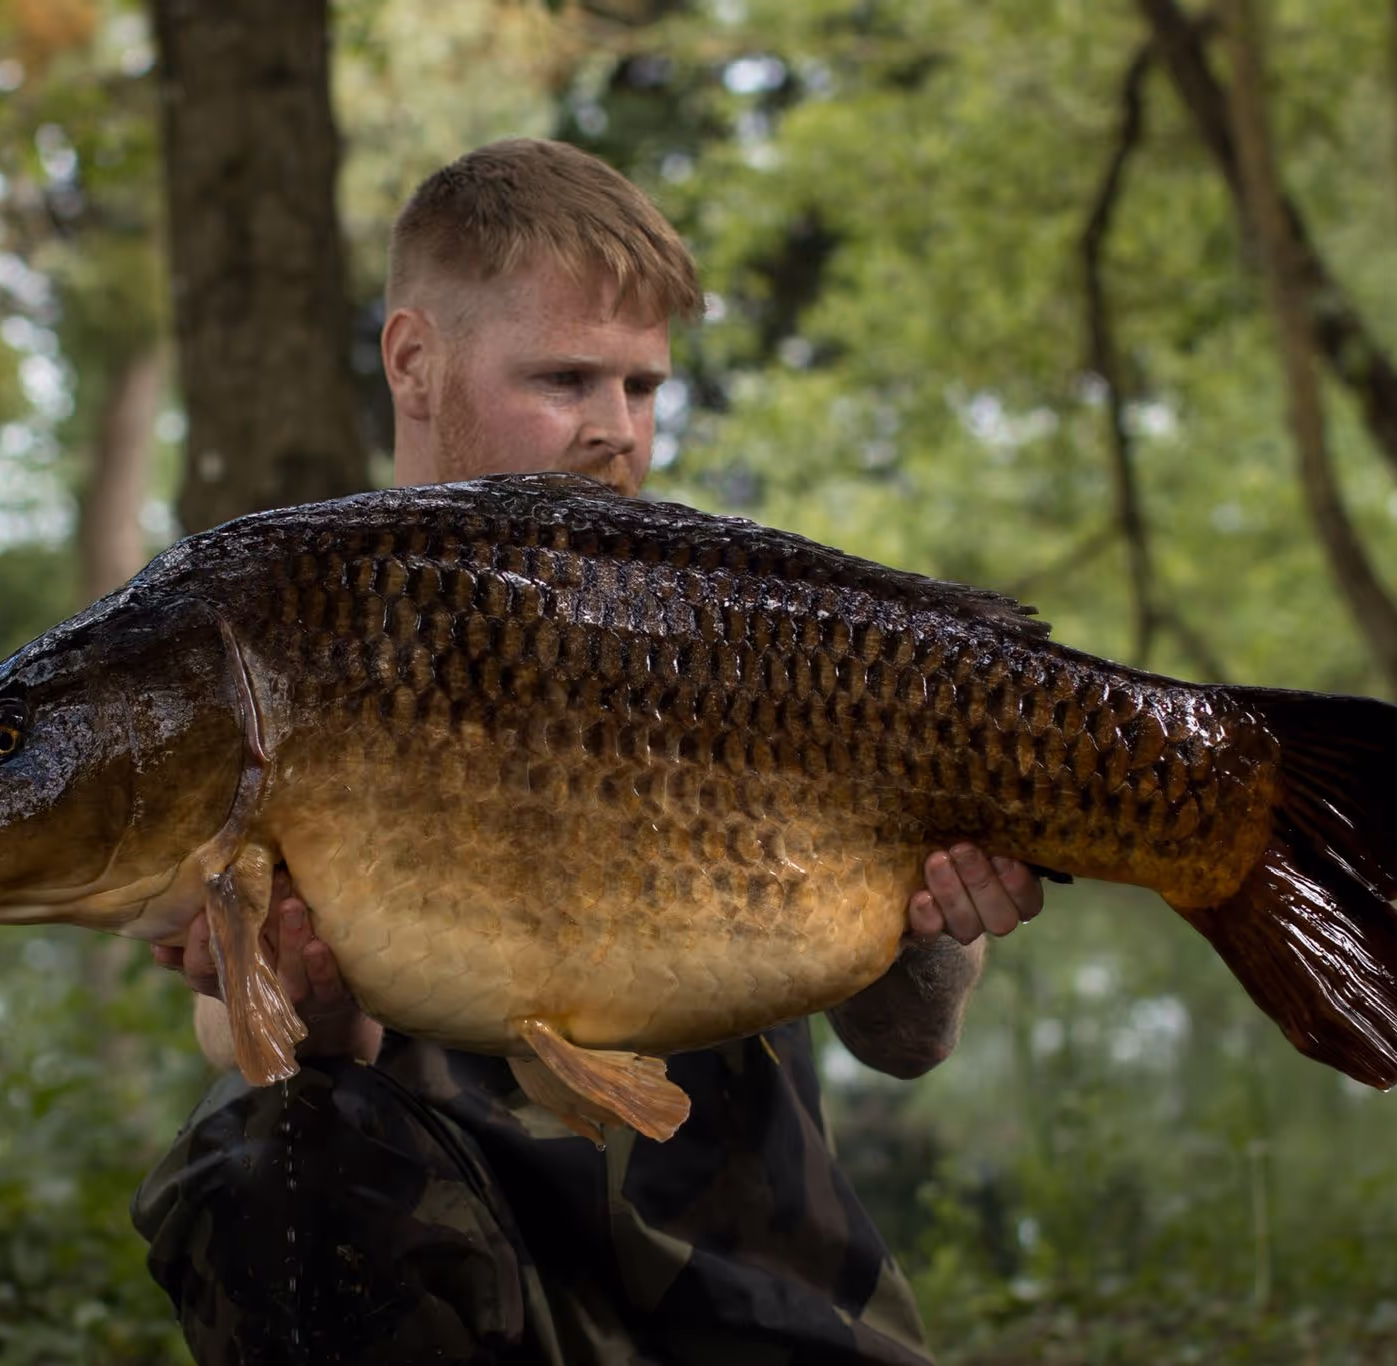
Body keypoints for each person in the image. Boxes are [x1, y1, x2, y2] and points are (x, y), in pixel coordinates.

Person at [136, 137, 1044, 1365]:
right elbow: (239, 1038)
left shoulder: (746, 627)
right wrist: (317, 1017)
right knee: (260, 1153)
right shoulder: (304, 637)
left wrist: (938, 916)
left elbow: (908, 1042)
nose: (615, 432)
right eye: (565, 379)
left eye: (643, 387)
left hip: (773, 1313)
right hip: (483, 1299)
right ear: (413, 361)